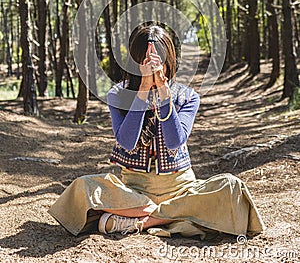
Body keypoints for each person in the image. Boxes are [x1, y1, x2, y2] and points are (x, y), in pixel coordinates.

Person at [49, 25, 265, 239]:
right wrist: (143, 90)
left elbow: (174, 142)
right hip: (133, 192)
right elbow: (126, 142)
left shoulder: (188, 97)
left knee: (231, 187)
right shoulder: (118, 94)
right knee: (81, 188)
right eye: (145, 62)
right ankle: (175, 217)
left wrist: (163, 92)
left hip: (181, 189)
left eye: (157, 60)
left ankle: (142, 222)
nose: (152, 67)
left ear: (168, 60)